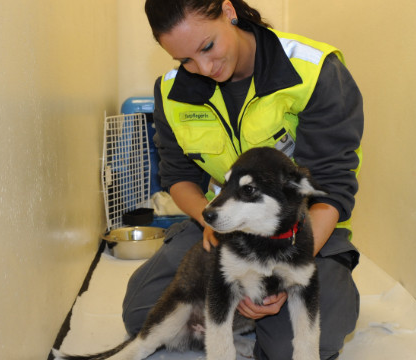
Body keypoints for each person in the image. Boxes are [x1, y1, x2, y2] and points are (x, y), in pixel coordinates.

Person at [122, 0, 364, 359]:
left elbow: (332, 187)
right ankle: (242, 312)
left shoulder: (313, 71)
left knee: (290, 347)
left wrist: (280, 274)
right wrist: (209, 219)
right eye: (185, 60)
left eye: (207, 46)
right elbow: (177, 176)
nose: (204, 68)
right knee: (142, 311)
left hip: (301, 229)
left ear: (228, 11)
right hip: (221, 222)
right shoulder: (172, 92)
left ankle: (280, 309)